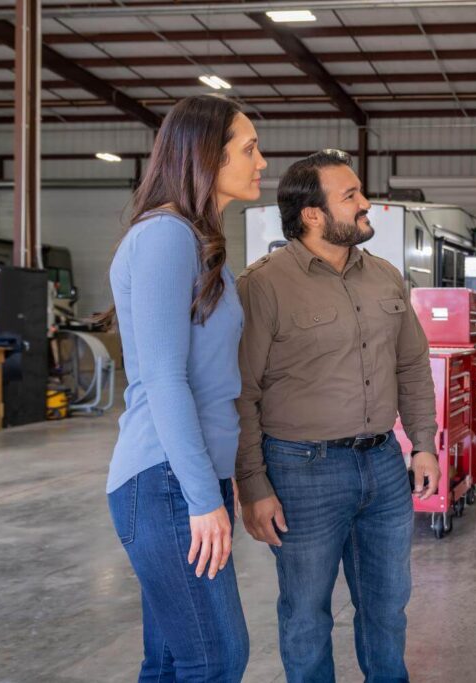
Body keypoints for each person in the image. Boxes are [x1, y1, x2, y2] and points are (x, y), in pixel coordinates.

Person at [234, 150, 440, 683]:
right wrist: (253, 485)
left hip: (384, 465)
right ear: (313, 215)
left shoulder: (387, 278)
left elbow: (414, 366)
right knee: (306, 615)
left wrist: (423, 444)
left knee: (387, 607)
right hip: (301, 472)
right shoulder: (263, 286)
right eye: (351, 196)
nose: (366, 203)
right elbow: (242, 393)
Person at [104, 95, 267, 681]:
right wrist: (203, 498)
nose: (261, 162)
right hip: (167, 479)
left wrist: (222, 486)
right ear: (207, 155)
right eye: (249, 149)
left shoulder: (197, 242)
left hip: (189, 477)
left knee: (174, 661)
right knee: (216, 657)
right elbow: (164, 379)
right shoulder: (165, 237)